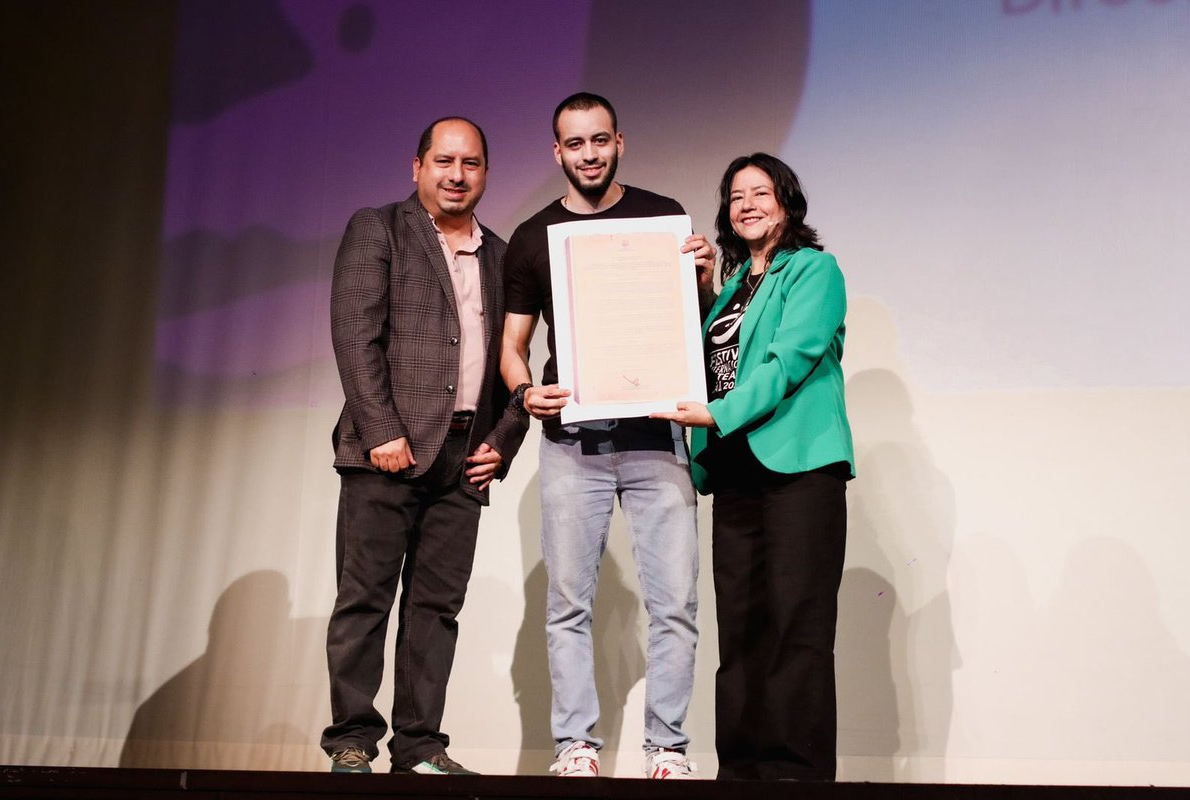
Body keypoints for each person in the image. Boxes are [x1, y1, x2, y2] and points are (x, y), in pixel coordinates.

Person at [500, 92, 716, 780]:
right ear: (556, 152)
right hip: (572, 443)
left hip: (657, 438)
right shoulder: (534, 237)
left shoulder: (661, 219)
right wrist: (524, 390)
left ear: (619, 141)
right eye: (575, 143)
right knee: (568, 606)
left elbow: (695, 328)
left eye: (600, 141)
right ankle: (576, 749)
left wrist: (705, 278)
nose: (589, 154)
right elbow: (513, 345)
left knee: (674, 606)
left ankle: (667, 751)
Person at [321, 117, 527, 775]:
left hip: (465, 456)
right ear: (417, 167)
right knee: (365, 599)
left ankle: (419, 747)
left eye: (470, 163)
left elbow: (517, 360)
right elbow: (356, 338)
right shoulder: (378, 229)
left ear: (486, 174)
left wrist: (505, 441)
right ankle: (352, 737)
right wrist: (382, 431)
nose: (456, 174)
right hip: (387, 452)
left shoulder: (501, 256)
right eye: (444, 161)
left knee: (436, 609)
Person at [652, 153, 854, 781]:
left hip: (799, 469)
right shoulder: (737, 287)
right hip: (737, 473)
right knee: (739, 632)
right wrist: (707, 287)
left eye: (760, 192)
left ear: (787, 203)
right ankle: (739, 773)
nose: (747, 204)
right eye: (735, 196)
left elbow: (788, 359)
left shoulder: (814, 270)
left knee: (797, 624)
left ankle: (794, 774)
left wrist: (716, 415)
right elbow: (714, 356)